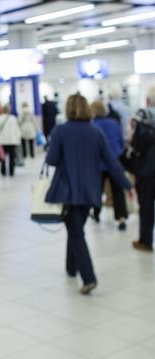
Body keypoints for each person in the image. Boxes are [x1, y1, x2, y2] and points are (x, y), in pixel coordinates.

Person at [46, 94, 132, 295]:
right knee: (75, 227)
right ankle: (70, 267)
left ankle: (88, 277)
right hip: (91, 190)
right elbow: (111, 162)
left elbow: (51, 159)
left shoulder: (60, 131)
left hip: (68, 190)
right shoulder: (96, 132)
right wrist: (127, 184)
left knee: (76, 232)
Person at [90, 101, 128, 231]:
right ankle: (121, 217)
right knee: (118, 191)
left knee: (97, 190)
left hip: (99, 164)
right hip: (115, 162)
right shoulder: (114, 123)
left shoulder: (93, 126)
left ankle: (96, 213)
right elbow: (121, 142)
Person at [131, 102, 155, 252]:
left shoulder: (143, 119)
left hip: (147, 172)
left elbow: (136, 145)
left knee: (146, 208)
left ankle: (145, 241)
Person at [0, 105, 21, 178]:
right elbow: (16, 129)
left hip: (2, 141)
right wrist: (18, 138)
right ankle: (11, 171)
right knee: (12, 157)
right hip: (12, 140)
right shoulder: (13, 118)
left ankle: (3, 171)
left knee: (2, 156)